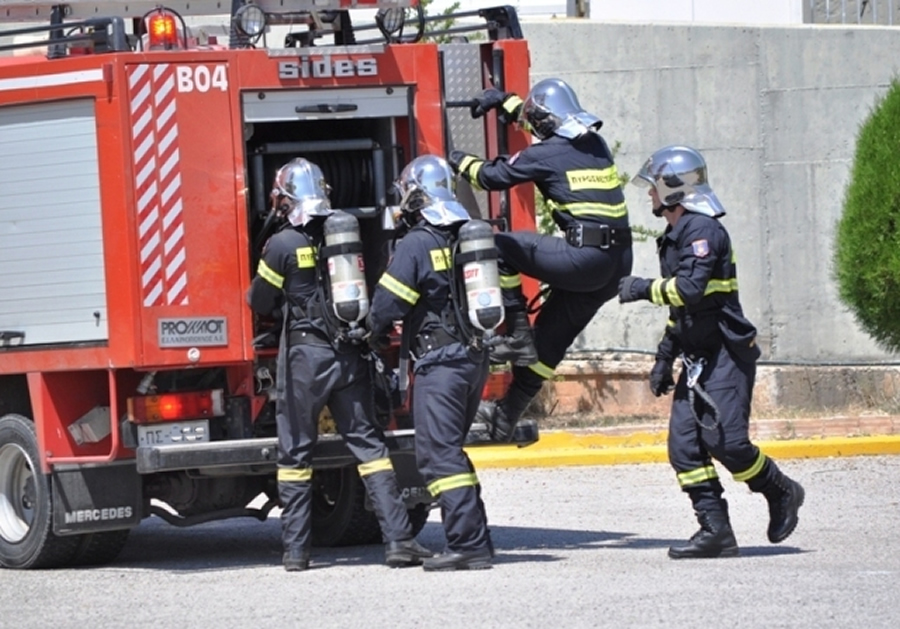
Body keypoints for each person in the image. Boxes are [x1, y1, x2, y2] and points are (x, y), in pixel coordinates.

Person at [617, 145, 805, 559]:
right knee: (684, 448)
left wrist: (640, 287)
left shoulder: (703, 231)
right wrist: (665, 357)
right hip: (698, 357)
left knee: (727, 443)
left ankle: (780, 489)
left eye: (653, 188)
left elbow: (689, 289)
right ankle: (716, 531)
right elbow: (681, 309)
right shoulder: (674, 236)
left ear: (674, 189)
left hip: (726, 353)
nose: (649, 196)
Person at [246, 157, 433, 571]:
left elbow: (259, 300)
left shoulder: (282, 244)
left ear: (287, 199)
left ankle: (296, 552)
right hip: (350, 353)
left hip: (305, 358)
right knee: (370, 447)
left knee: (296, 452)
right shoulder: (347, 235)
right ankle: (399, 541)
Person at [448, 77, 634, 442]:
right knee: (547, 346)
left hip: (582, 258)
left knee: (498, 247)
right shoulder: (595, 145)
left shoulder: (543, 155)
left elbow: (489, 177)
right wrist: (506, 101)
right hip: (616, 265)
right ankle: (506, 419)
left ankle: (516, 335)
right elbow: (547, 123)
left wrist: (453, 158)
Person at [366, 154, 494, 571]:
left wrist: (369, 330)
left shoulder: (418, 242)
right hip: (473, 358)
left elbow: (389, 302)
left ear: (416, 195)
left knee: (438, 456)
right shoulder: (467, 235)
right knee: (451, 452)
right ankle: (479, 540)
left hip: (439, 363)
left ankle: (467, 544)